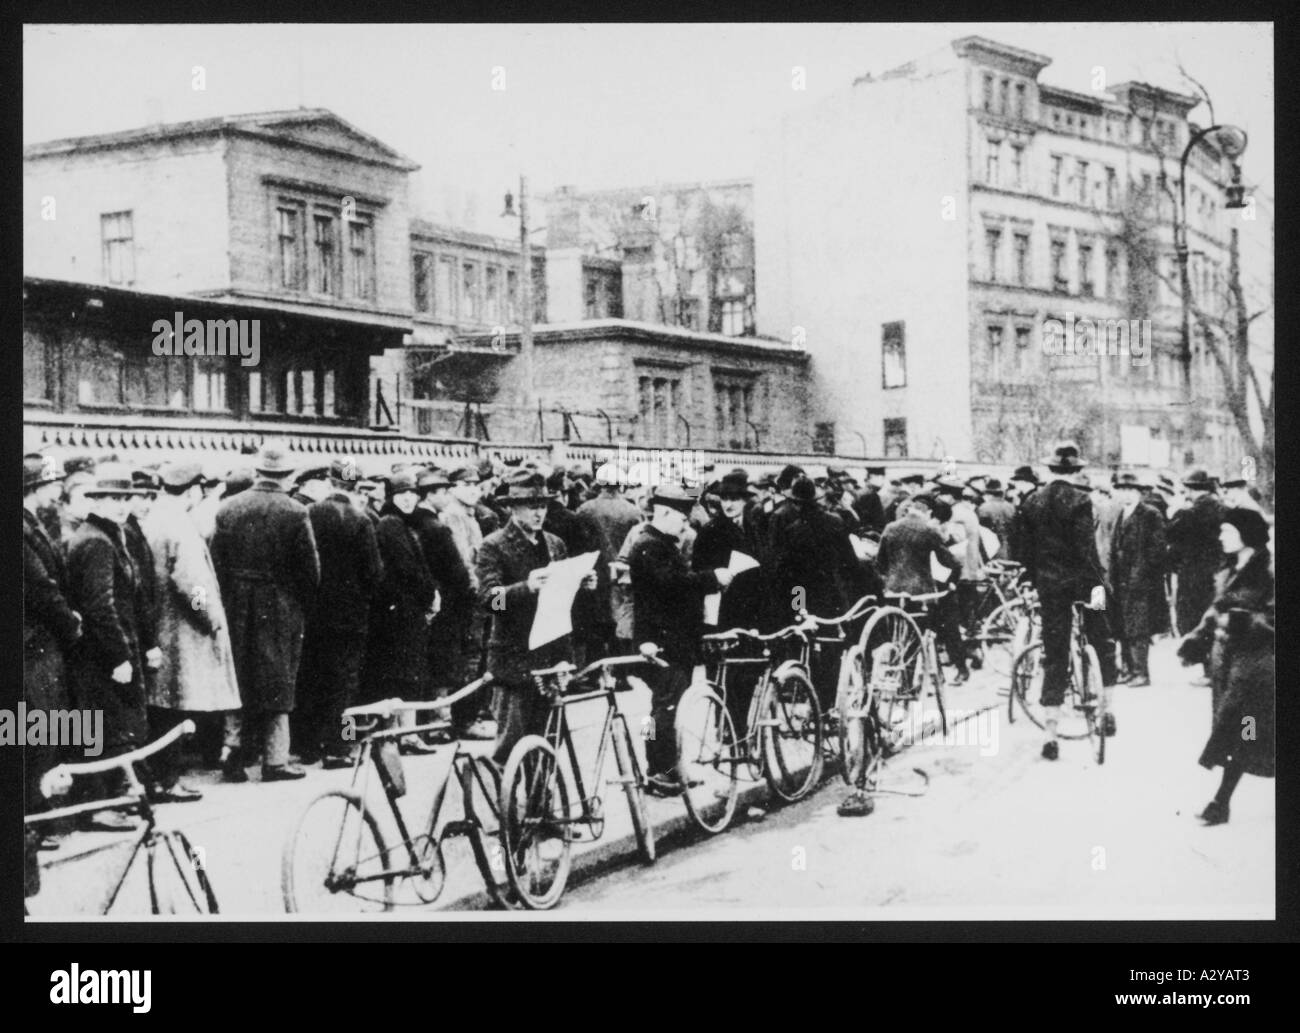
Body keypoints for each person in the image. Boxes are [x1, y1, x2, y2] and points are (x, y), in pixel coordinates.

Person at [211, 442, 320, 782]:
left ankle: (231, 753)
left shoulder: (228, 508)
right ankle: (275, 761)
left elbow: (216, 563)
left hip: (236, 604)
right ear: (288, 477)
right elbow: (310, 571)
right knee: (278, 680)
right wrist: (298, 602)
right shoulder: (296, 512)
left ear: (258, 473)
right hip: (279, 604)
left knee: (238, 678)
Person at [476, 471, 597, 766]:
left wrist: (581, 585)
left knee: (548, 741)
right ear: (512, 508)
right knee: (512, 745)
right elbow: (489, 600)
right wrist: (525, 587)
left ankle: (539, 807)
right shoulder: (494, 545)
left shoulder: (555, 544)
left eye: (542, 506)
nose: (539, 513)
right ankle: (507, 807)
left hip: (551, 656)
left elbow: (561, 598)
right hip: (514, 659)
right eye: (531, 506)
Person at [65, 464, 161, 828]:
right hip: (101, 656)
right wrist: (119, 657)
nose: (121, 505)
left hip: (110, 650)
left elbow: (130, 599)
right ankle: (98, 807)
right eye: (112, 499)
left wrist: (146, 644)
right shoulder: (95, 542)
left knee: (113, 727)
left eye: (124, 498)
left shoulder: (107, 536)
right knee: (104, 729)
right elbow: (99, 606)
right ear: (97, 501)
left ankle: (112, 801)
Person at [141, 462, 242, 800]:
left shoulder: (153, 518)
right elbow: (192, 584)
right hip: (179, 631)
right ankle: (168, 780)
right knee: (172, 706)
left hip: (158, 625)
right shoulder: (180, 526)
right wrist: (210, 618)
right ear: (192, 490)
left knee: (160, 706)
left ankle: (159, 778)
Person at [1009, 445, 1116, 759]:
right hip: (1086, 585)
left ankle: (1050, 732)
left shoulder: (1032, 502)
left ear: (1050, 470)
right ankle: (1107, 708)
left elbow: (1023, 552)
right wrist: (1100, 584)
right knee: (1103, 638)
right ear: (1075, 471)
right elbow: (1087, 550)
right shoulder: (1081, 500)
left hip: (1050, 588)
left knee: (1054, 653)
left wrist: (1034, 578)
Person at [629, 483, 733, 795]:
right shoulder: (651, 545)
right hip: (662, 642)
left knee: (660, 708)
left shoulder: (658, 543)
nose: (685, 524)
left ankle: (664, 768)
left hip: (668, 640)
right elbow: (671, 584)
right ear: (662, 513)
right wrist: (712, 579)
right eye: (681, 518)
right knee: (664, 709)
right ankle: (660, 772)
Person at [1177, 508, 1273, 825]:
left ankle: (1221, 802)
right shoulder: (1232, 568)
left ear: (1246, 535)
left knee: (1243, 731)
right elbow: (1216, 610)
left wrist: (1244, 622)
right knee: (1243, 734)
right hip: (1229, 666)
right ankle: (1221, 802)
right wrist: (1197, 637)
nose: (1220, 537)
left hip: (1259, 669)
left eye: (1227, 531)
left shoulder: (1270, 571)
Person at [297, 458, 384, 767]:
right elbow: (374, 573)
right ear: (355, 486)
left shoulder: (310, 513)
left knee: (312, 677)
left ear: (330, 481)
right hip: (351, 617)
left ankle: (307, 747)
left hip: (316, 613)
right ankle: (340, 747)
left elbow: (303, 564)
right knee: (344, 685)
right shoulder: (362, 521)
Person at [23, 455, 83, 842]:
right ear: (36, 488)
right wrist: (71, 622)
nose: (58, 490)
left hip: (38, 642)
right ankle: (40, 821)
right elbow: (41, 587)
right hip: (35, 645)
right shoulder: (23, 529)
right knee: (40, 730)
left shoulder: (31, 525)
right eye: (52, 484)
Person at [365, 470, 440, 746]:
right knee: (404, 674)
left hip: (404, 608)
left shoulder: (398, 523)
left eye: (412, 494)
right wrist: (430, 595)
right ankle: (404, 735)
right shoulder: (392, 525)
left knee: (407, 672)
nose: (408, 499)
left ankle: (405, 734)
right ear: (391, 497)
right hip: (402, 610)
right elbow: (408, 567)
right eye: (402, 494)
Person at [576, 463, 643, 659]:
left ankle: (595, 674)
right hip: (621, 576)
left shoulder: (585, 510)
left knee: (595, 627)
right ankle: (620, 673)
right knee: (618, 623)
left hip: (593, 576)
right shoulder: (633, 511)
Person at [1108, 473, 1168, 687]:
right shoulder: (1120, 514)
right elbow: (1115, 548)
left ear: (1139, 493)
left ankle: (1141, 672)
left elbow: (1157, 549)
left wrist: (1141, 572)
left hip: (1142, 582)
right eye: (1121, 490)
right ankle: (1128, 670)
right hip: (1121, 581)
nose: (1125, 495)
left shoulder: (1150, 514)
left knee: (1138, 628)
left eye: (1130, 490)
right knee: (1122, 626)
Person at [1167, 469, 1227, 645]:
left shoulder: (1187, 514)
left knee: (1191, 622)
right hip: (1218, 574)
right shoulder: (1224, 510)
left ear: (1191, 490)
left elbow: (1170, 536)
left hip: (1191, 576)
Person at [977, 478, 1016, 559]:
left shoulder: (983, 508)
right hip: (1010, 544)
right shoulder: (1011, 507)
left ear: (988, 494)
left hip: (991, 545)